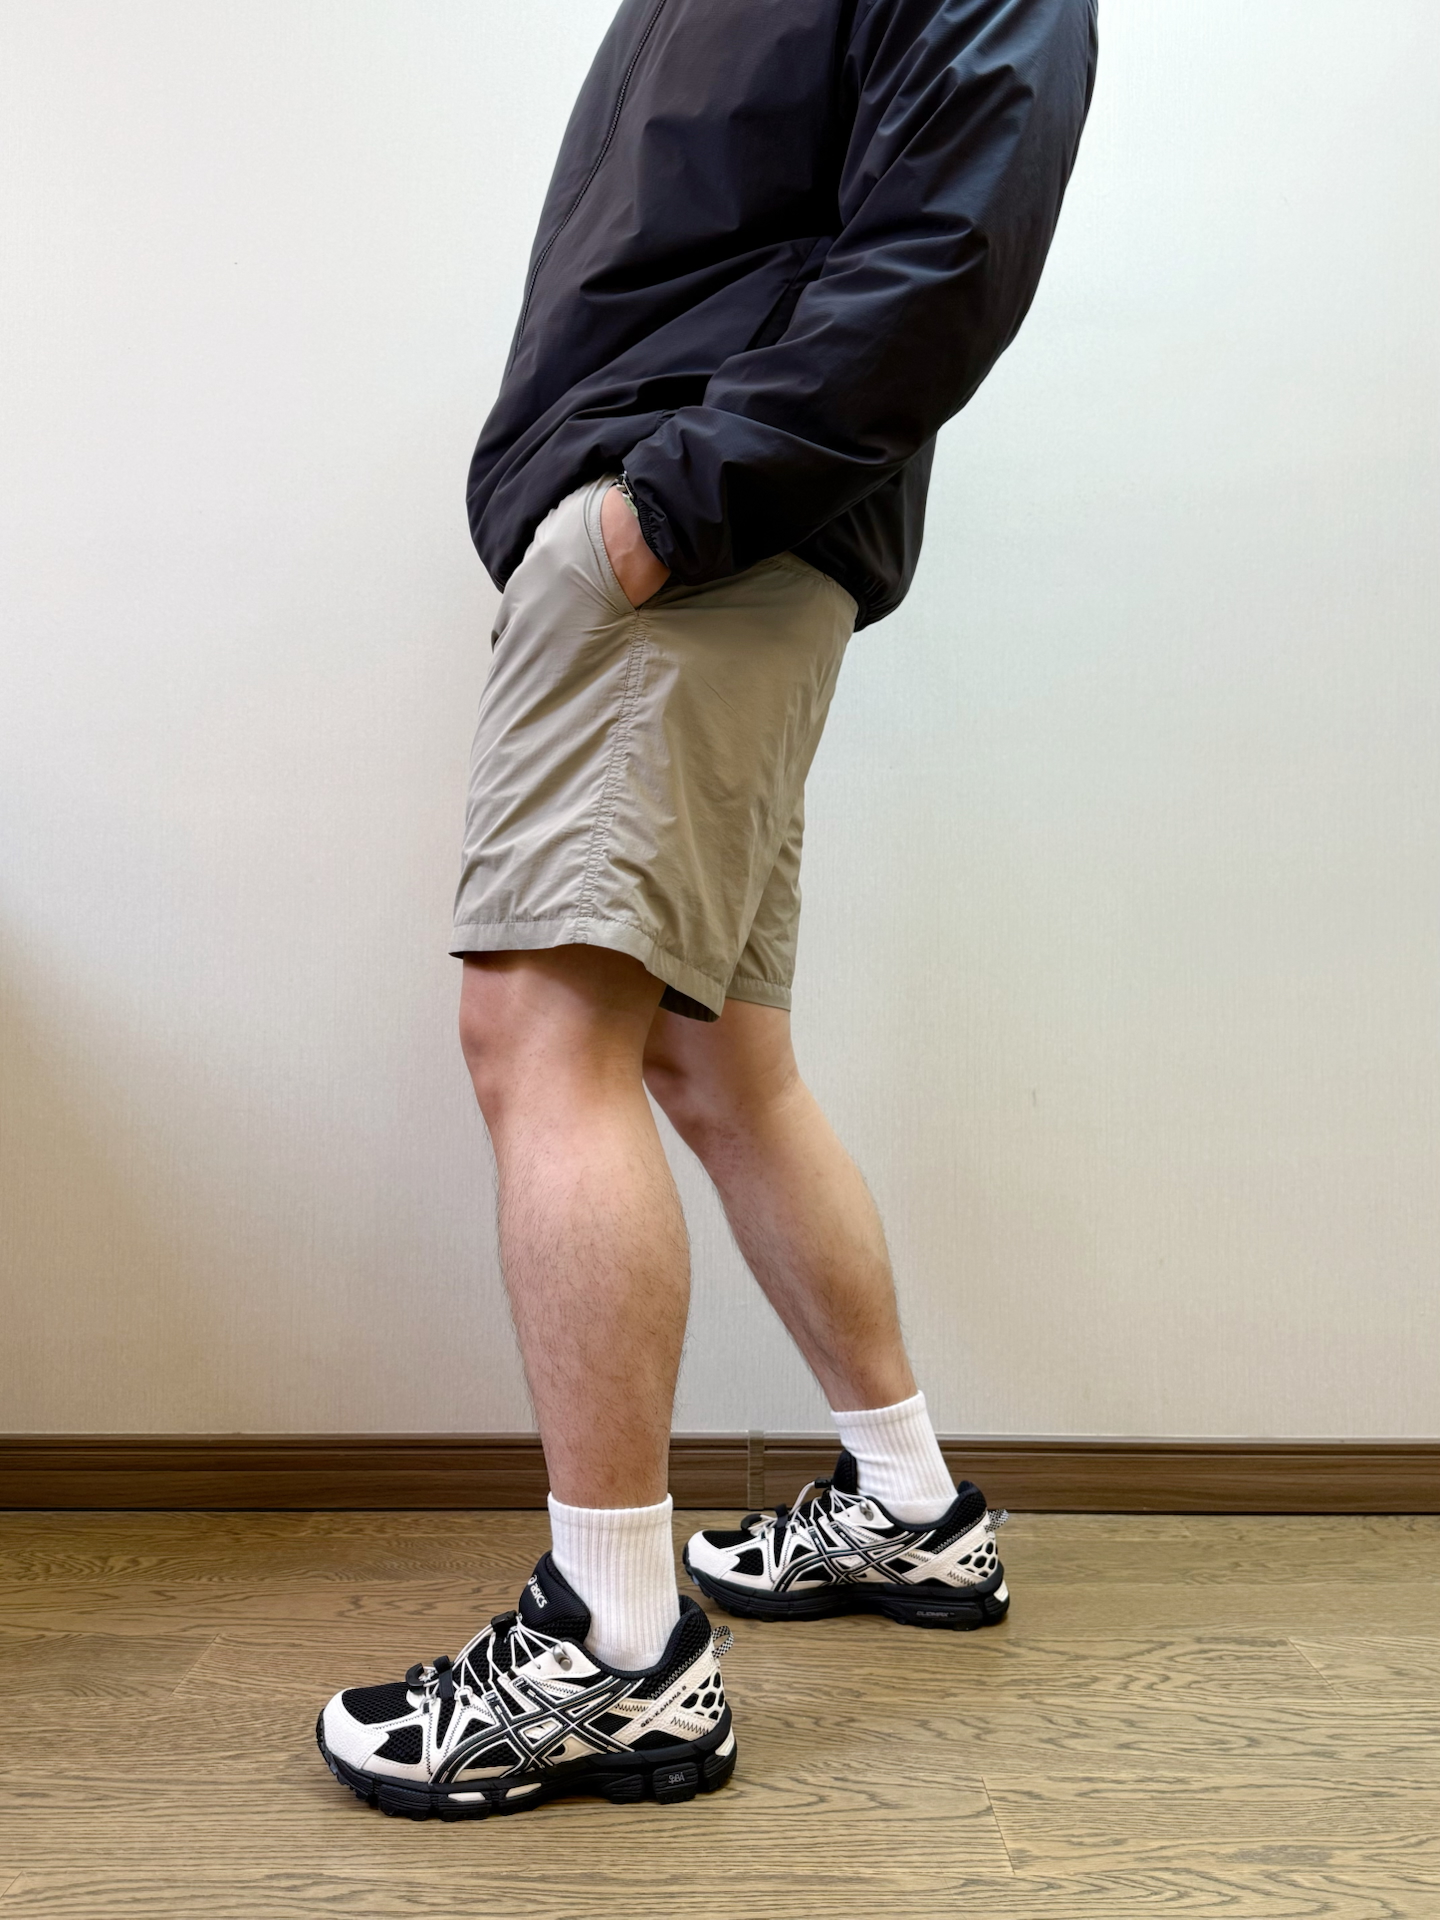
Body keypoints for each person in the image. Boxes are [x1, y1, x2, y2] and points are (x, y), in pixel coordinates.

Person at [317, 0, 1097, 1820]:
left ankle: (616, 1652)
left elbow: (949, 248)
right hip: (693, 535)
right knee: (718, 1058)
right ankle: (909, 1508)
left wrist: (667, 503)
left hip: (695, 537)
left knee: (541, 1034)